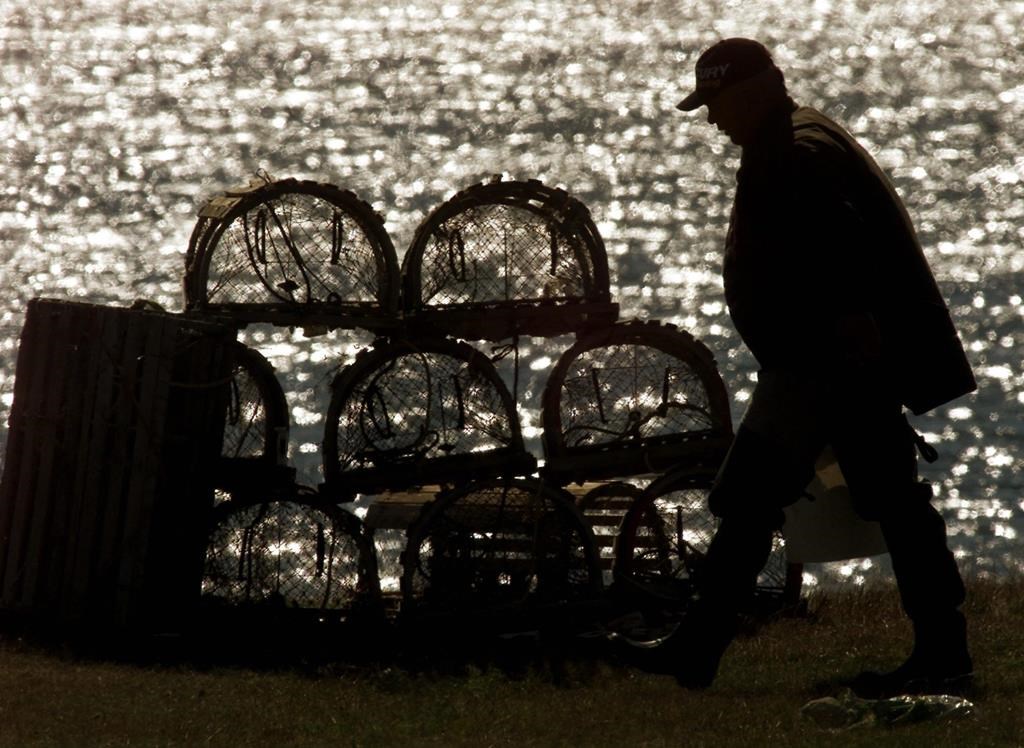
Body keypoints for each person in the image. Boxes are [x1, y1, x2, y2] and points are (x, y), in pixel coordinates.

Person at [660, 38, 977, 695]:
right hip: (830, 363)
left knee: (752, 498)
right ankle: (943, 648)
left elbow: (844, 246)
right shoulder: (804, 134)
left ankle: (696, 649)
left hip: (820, 368)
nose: (713, 121)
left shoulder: (791, 153)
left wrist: (844, 334)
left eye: (716, 104)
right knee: (890, 499)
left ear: (750, 92)